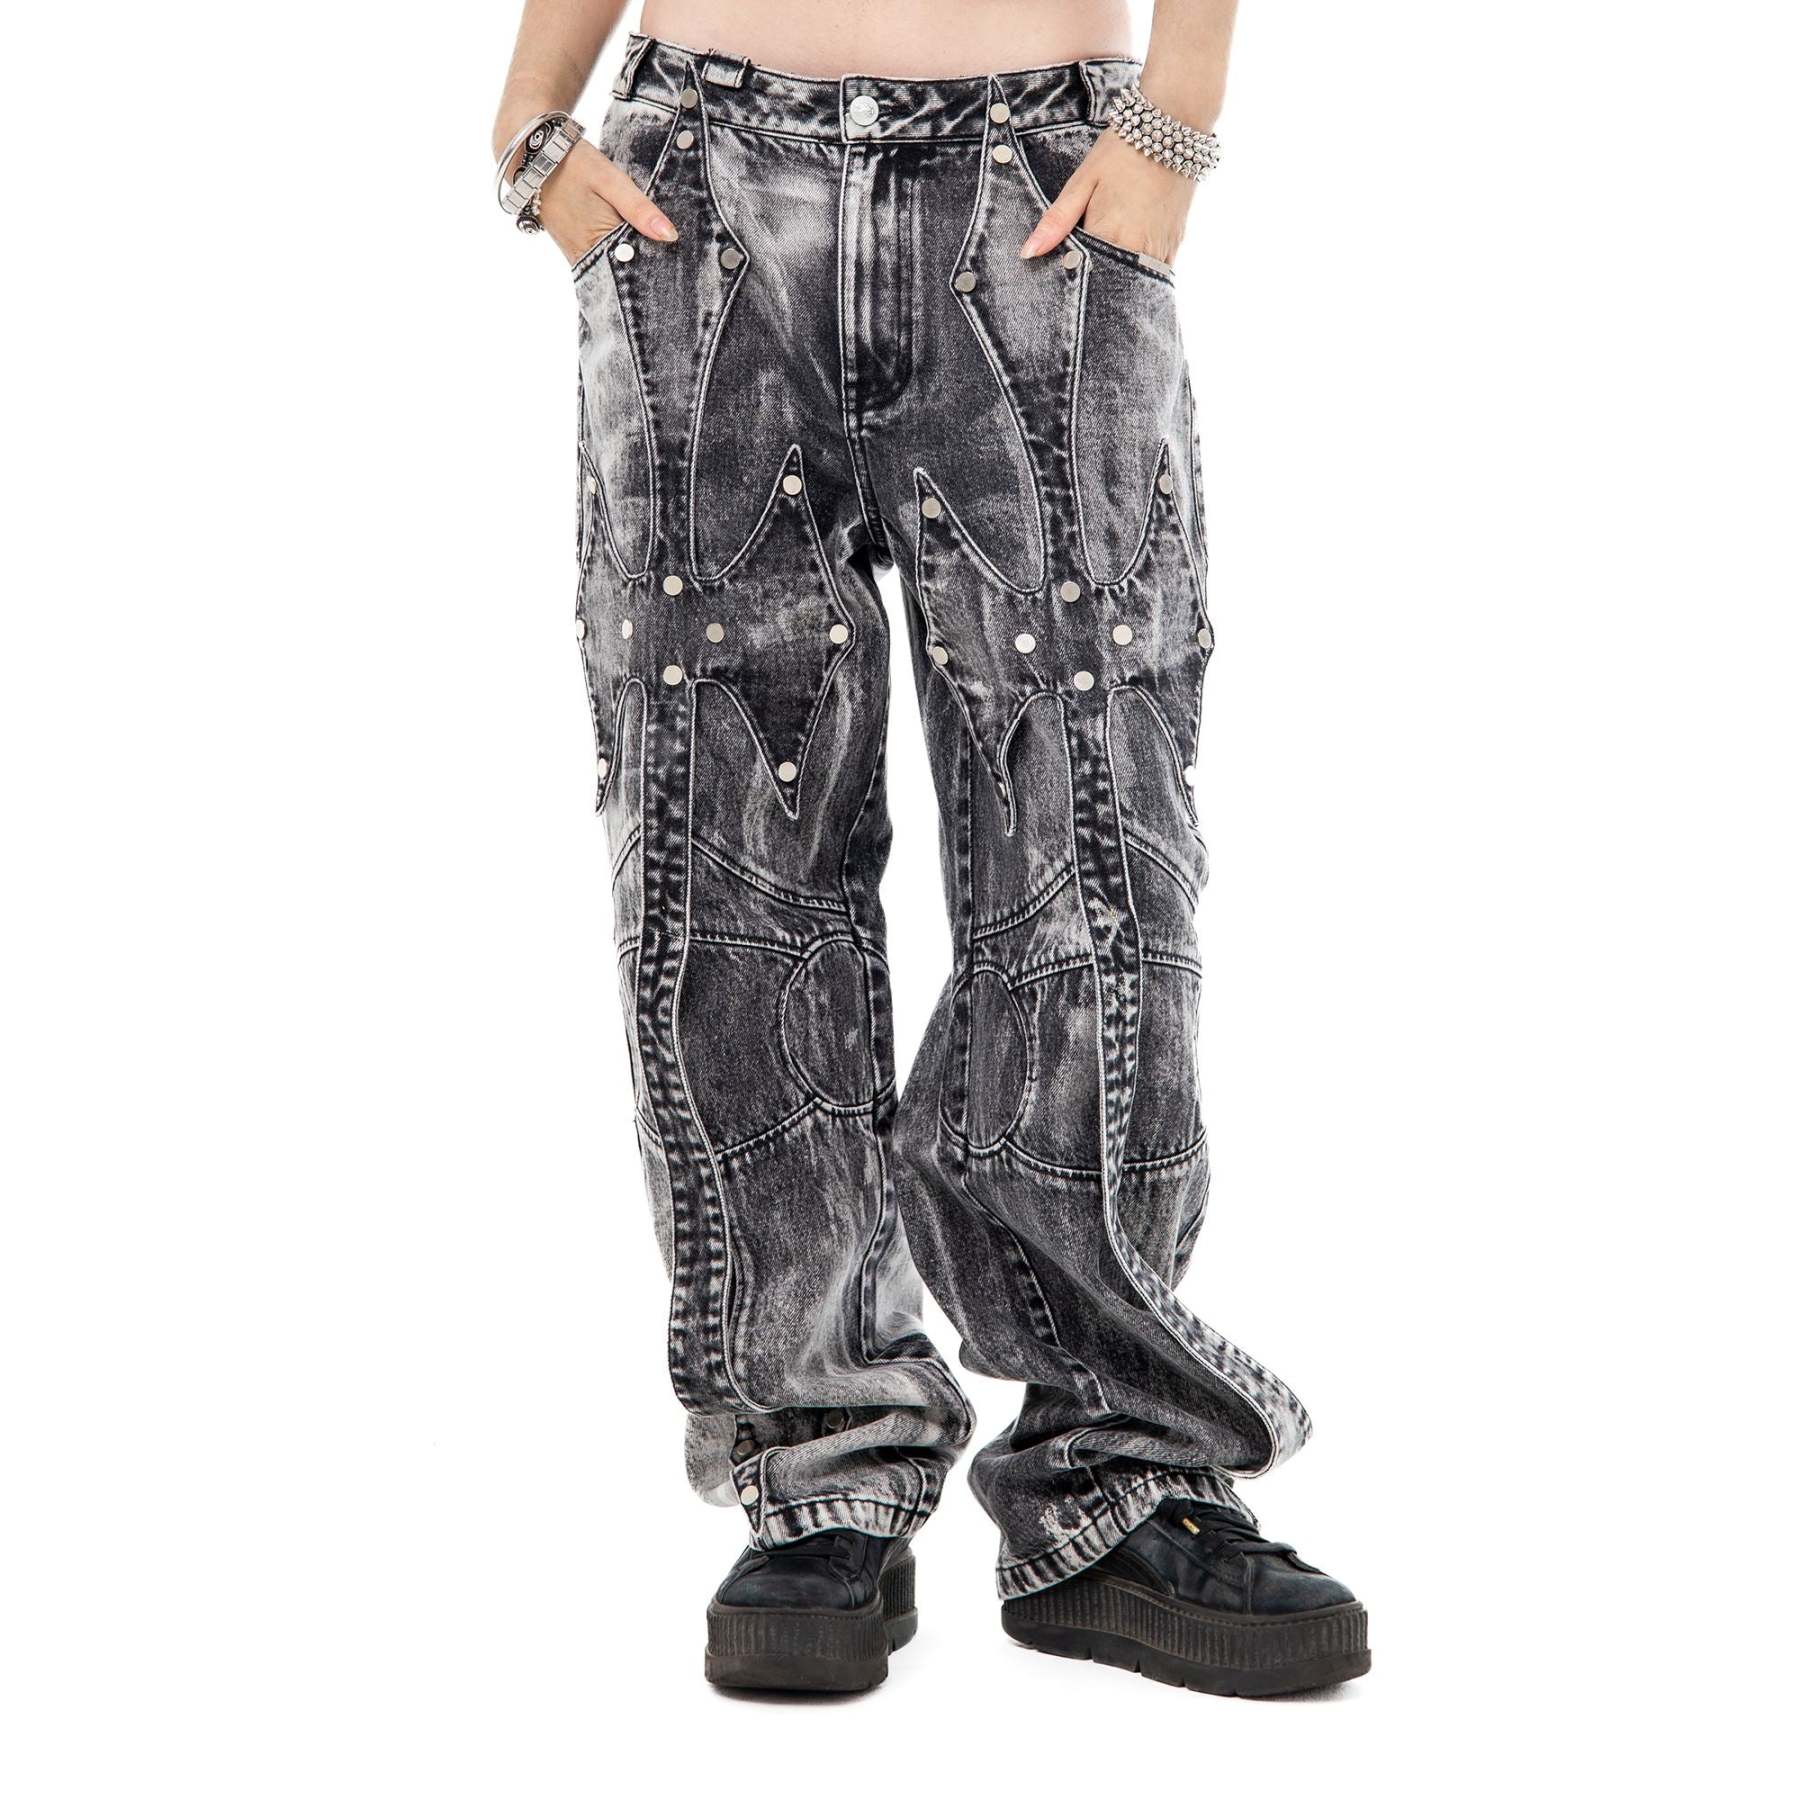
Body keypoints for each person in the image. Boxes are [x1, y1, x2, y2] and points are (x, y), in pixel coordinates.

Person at [491, 0, 1367, 1697]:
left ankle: (1121, 1474)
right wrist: (532, 120)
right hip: (695, 190)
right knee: (720, 861)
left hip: (1041, 178)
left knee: (1092, 850)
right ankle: (818, 1465)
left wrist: (1177, 117)